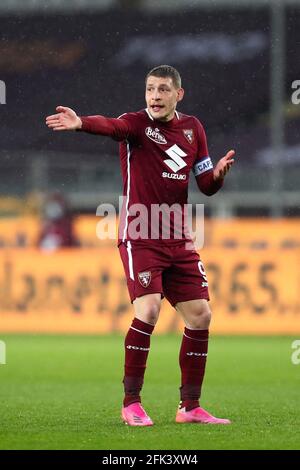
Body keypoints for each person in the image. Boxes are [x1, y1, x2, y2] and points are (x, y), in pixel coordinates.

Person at [46, 65, 235, 426]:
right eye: (150, 89)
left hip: (178, 237)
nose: (155, 97)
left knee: (201, 315)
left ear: (179, 94)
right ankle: (131, 402)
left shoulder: (193, 129)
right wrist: (81, 122)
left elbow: (206, 185)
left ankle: (190, 407)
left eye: (163, 90)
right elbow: (110, 125)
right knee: (148, 311)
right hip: (140, 234)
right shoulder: (135, 124)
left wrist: (219, 177)